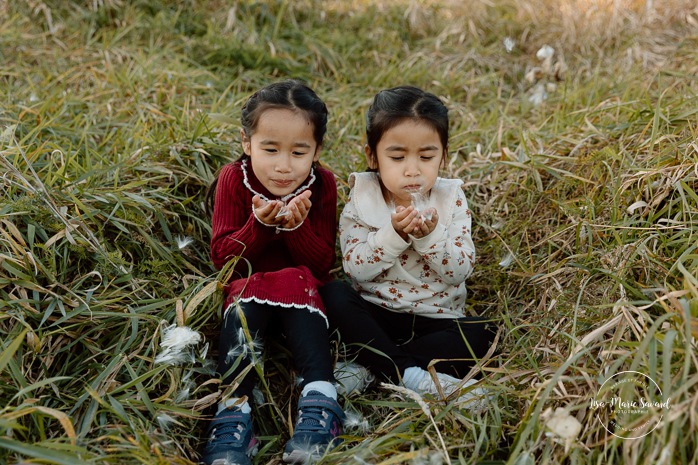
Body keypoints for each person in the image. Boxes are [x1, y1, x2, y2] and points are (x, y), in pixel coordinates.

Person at [321, 86, 495, 407]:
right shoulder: (363, 198)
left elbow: (459, 271)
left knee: (485, 333)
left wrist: (429, 237)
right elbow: (356, 267)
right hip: (376, 314)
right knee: (333, 295)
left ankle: (375, 370)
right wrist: (394, 235)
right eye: (397, 157)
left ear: (443, 155)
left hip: (437, 319)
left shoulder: (450, 198)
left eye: (426, 157)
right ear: (372, 156)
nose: (412, 169)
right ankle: (415, 376)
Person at [202, 79, 344, 465]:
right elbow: (224, 260)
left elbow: (321, 264)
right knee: (242, 321)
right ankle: (233, 414)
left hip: (303, 288)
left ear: (317, 150)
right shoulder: (235, 179)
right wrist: (260, 225)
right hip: (248, 286)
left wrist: (296, 227)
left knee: (308, 320)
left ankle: (319, 404)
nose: (284, 166)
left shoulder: (323, 185)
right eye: (270, 149)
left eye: (299, 152)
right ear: (247, 143)